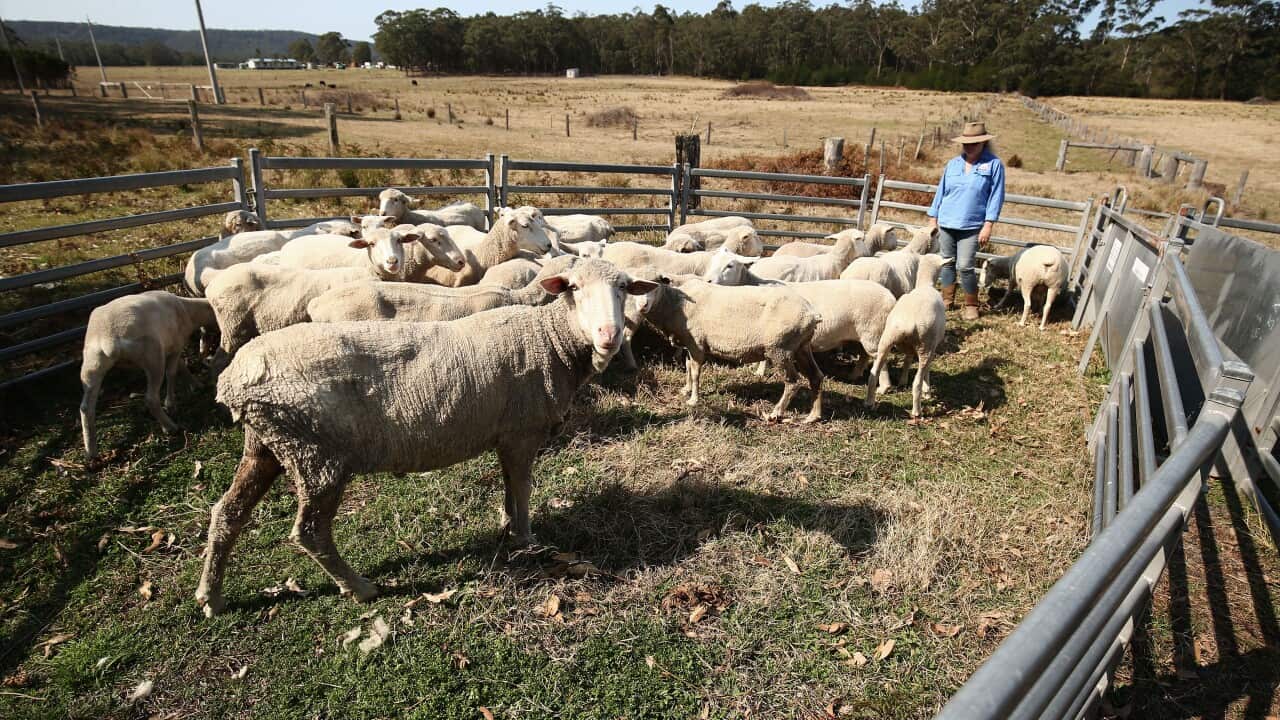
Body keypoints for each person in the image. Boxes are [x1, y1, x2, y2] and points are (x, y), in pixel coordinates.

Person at [925, 121, 1006, 320]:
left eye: (974, 144)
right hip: (947, 221)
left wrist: (988, 224)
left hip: (971, 224)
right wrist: (933, 217)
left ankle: (971, 304)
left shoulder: (993, 165)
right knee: (947, 263)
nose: (969, 147)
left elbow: (996, 196)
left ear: (983, 144)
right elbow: (941, 191)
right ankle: (947, 300)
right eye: (965, 144)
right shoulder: (953, 164)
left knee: (965, 265)